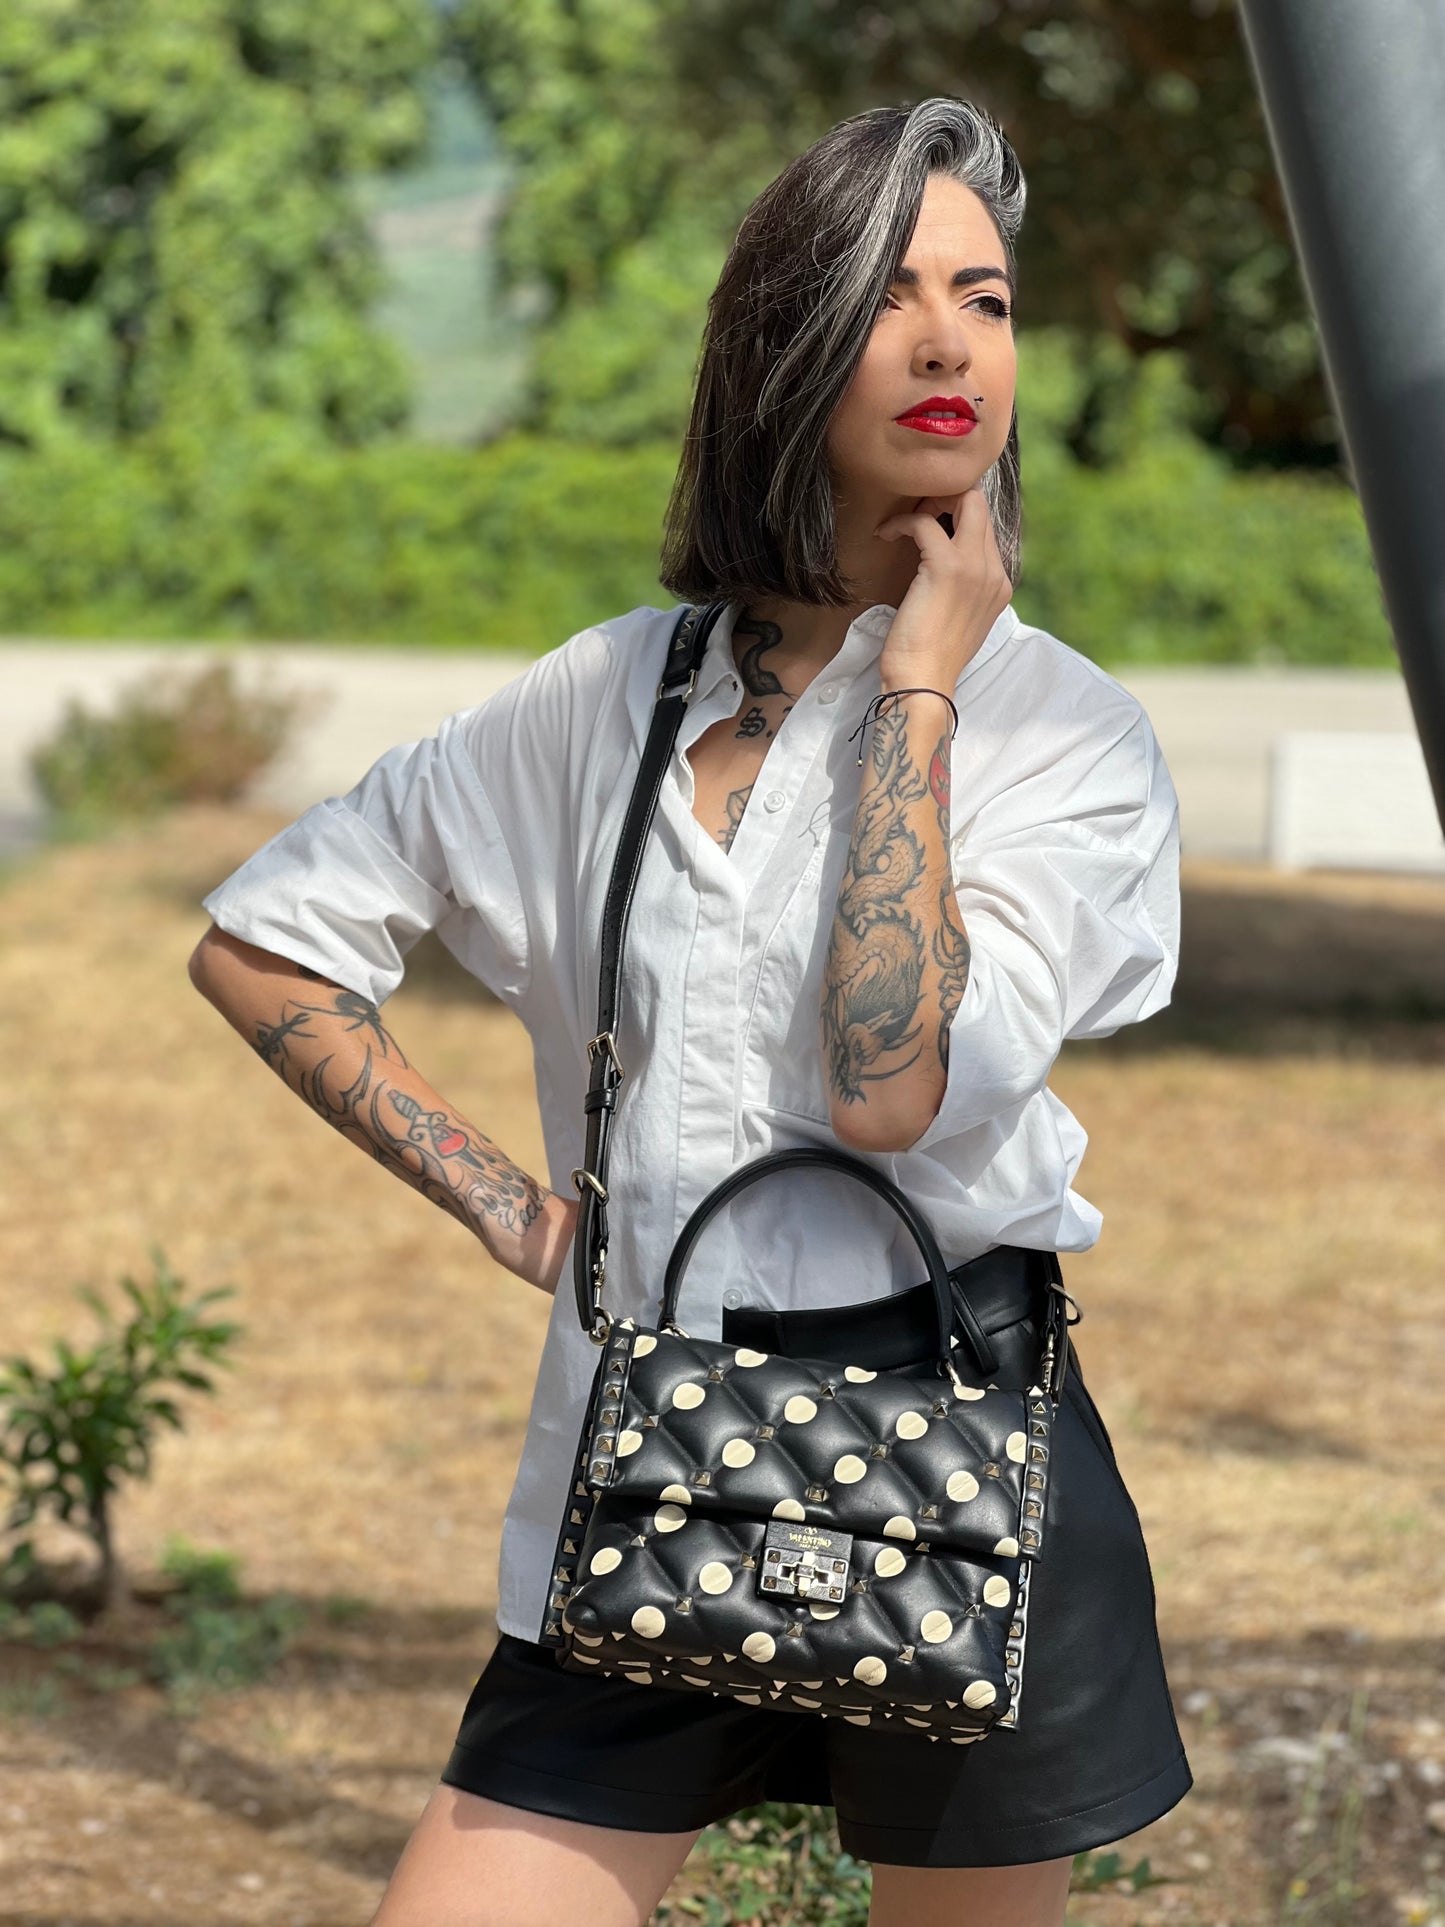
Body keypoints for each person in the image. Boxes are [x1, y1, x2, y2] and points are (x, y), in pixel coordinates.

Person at [189, 95, 1192, 1927]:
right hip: (650, 1435)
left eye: (984, 297)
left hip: (957, 1444)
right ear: (781, 346)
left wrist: (917, 687)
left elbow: (889, 1085)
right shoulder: (598, 700)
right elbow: (267, 941)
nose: (950, 342)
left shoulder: (1063, 732)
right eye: (889, 295)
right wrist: (505, 1202)